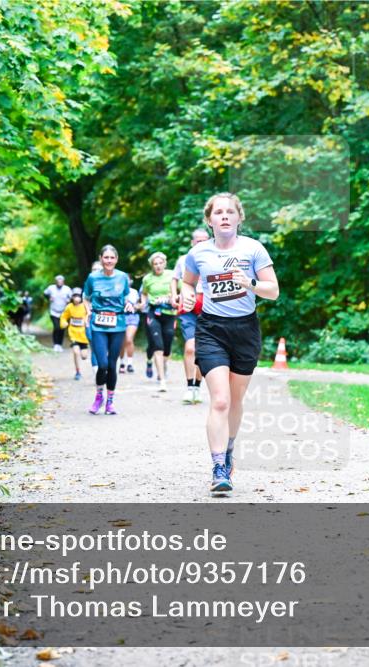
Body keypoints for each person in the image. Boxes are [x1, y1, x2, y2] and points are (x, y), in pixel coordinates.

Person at [180, 193, 278, 496]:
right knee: (220, 400)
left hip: (245, 331)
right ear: (209, 220)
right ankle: (219, 467)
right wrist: (186, 293)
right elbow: (187, 281)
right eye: (218, 212)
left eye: (230, 212)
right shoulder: (198, 254)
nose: (224, 216)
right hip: (211, 330)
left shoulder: (253, 249)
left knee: (235, 401)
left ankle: (229, 449)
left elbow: (273, 291)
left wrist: (248, 283)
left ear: (239, 218)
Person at [83, 246, 135, 415]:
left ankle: (110, 402)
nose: (109, 261)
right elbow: (86, 297)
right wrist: (88, 309)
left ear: (116, 259)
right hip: (98, 324)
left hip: (118, 324)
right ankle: (99, 396)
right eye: (106, 257)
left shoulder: (122, 277)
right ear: (101, 259)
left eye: (112, 257)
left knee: (112, 365)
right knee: (102, 365)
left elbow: (126, 297)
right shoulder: (92, 278)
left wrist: (128, 304)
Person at [172, 227, 210, 404]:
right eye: (198, 241)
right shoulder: (184, 259)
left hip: (208, 308)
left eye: (204, 240)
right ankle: (189, 387)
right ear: (192, 242)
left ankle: (197, 386)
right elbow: (175, 278)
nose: (201, 243)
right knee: (190, 347)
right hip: (188, 306)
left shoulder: (214, 258)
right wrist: (174, 295)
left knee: (202, 350)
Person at [139, 251, 177, 392]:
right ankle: (162, 379)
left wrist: (173, 297)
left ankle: (163, 365)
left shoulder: (172, 275)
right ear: (152, 266)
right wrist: (143, 303)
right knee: (157, 345)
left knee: (167, 346)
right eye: (155, 264)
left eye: (160, 263)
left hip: (169, 313)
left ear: (165, 263)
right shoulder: (147, 279)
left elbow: (180, 291)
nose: (158, 266)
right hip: (153, 313)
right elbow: (144, 293)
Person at [60, 291, 90, 380]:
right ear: (72, 297)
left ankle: (83, 356)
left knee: (84, 356)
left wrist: (86, 320)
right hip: (73, 333)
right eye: (75, 296)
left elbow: (89, 314)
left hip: (83, 335)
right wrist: (64, 323)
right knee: (76, 352)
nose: (77, 298)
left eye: (78, 296)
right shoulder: (69, 307)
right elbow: (64, 316)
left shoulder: (84, 306)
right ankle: (78, 371)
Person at [44, 275, 72, 352]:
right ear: (56, 281)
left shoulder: (67, 289)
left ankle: (60, 344)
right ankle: (55, 344)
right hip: (53, 311)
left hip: (63, 312)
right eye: (58, 281)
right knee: (56, 327)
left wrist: (69, 300)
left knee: (62, 328)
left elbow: (72, 297)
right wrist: (48, 297)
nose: (60, 282)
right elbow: (45, 294)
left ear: (63, 281)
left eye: (61, 281)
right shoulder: (51, 288)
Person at [119, 286, 141, 374]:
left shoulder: (134, 291)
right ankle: (121, 363)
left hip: (132, 316)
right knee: (121, 342)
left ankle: (130, 363)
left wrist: (136, 306)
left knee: (129, 339)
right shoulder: (117, 290)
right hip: (121, 316)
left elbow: (140, 304)